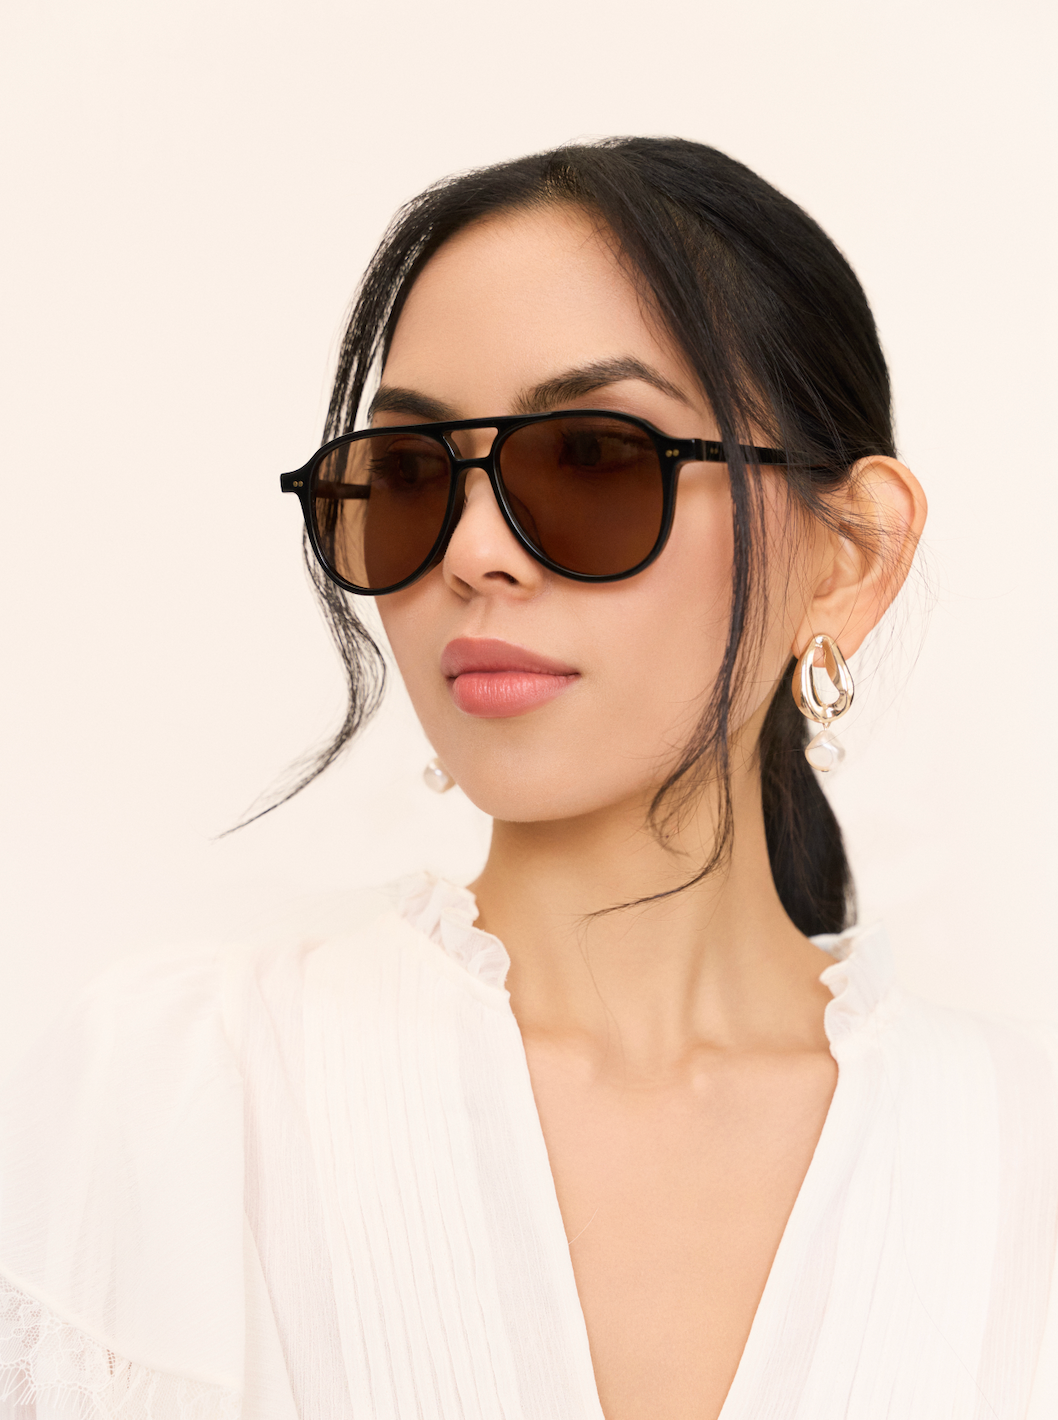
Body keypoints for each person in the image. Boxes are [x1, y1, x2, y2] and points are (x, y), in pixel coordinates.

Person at [1, 136, 1055, 1420]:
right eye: (407, 476)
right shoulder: (176, 1094)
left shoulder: (1022, 1164)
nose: (473, 552)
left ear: (845, 558)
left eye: (594, 460)